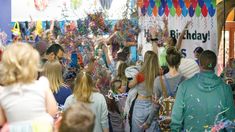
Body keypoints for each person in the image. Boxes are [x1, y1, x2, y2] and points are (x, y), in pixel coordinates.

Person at [171, 50, 235, 131]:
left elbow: (176, 120)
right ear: (214, 65)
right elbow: (230, 123)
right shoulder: (225, 89)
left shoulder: (184, 87)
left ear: (199, 64)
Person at [0, 43, 57, 131]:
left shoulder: (2, 92)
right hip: (40, 128)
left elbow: (1, 120)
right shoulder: (42, 84)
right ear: (34, 65)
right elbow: (53, 111)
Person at [145, 47, 186, 129]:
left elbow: (155, 106)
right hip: (180, 122)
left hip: (164, 124)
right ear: (179, 62)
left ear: (167, 62)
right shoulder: (186, 81)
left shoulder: (158, 80)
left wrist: (148, 122)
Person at [128, 51, 160, 132]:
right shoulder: (158, 73)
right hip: (154, 104)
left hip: (140, 104)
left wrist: (133, 78)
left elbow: (130, 85)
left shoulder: (140, 74)